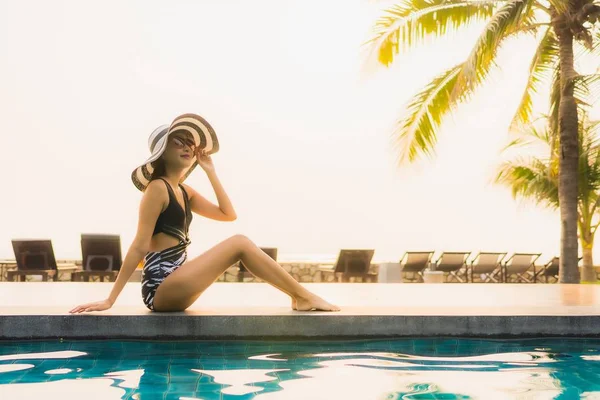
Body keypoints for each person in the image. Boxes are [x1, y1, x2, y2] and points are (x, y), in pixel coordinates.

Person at [70, 113, 340, 313]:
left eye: (189, 142)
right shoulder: (156, 189)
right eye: (178, 142)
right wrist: (110, 299)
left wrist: (211, 171)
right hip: (160, 288)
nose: (187, 147)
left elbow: (228, 214)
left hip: (178, 279)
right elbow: (139, 245)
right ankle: (303, 296)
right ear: (162, 153)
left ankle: (297, 297)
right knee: (239, 243)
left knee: (240, 241)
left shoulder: (184, 191)